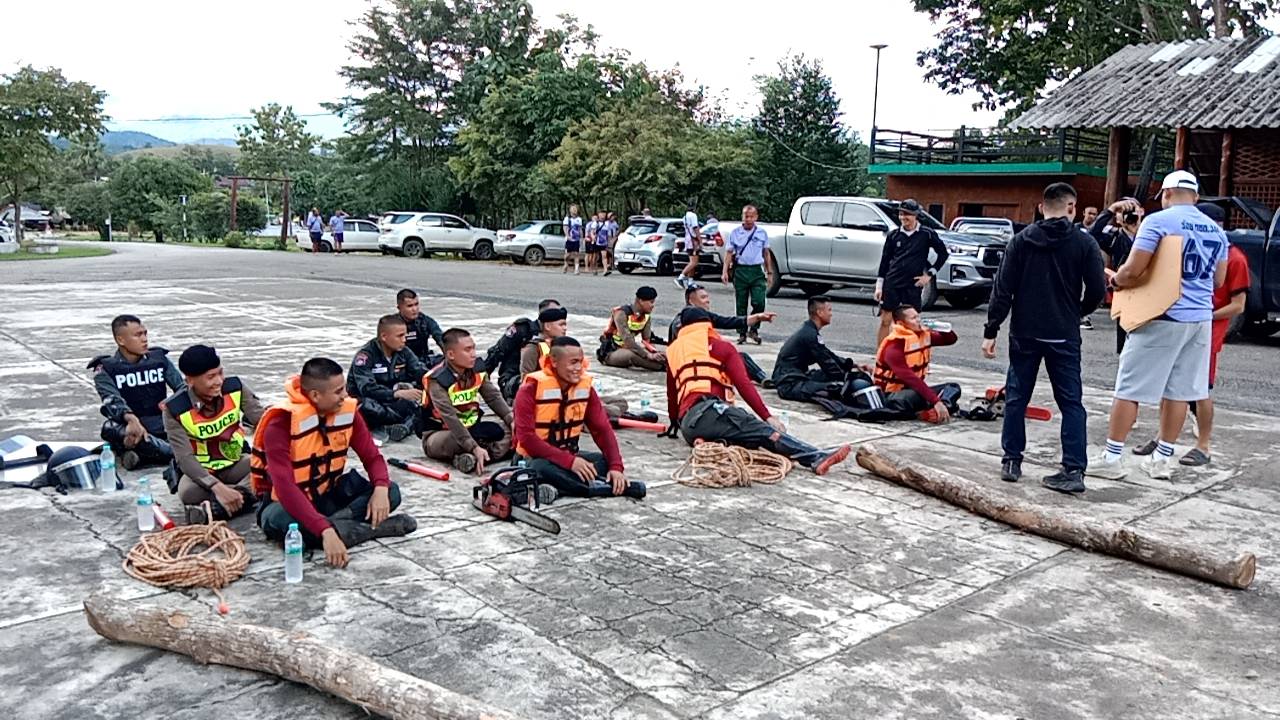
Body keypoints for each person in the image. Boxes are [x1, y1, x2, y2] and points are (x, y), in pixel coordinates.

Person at [1087, 171, 1228, 481]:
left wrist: (1117, 280)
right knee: (1180, 391)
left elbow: (1134, 269)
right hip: (1200, 319)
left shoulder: (1158, 222)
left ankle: (1112, 457)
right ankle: (1162, 459)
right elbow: (1219, 280)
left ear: (1166, 194)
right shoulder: (1217, 231)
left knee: (1129, 388)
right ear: (1195, 197)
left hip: (1162, 315)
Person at [978, 185, 1101, 492]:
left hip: (1025, 331)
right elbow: (1098, 289)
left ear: (1041, 207)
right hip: (1063, 334)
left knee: (1017, 397)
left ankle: (1011, 460)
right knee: (1071, 402)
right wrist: (1077, 312)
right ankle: (1073, 469)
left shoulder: (1021, 241)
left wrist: (991, 329)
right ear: (1072, 207)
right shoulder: (1084, 243)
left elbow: (1002, 288)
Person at [252, 358, 416, 569]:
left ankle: (334, 528)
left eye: (344, 388)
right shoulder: (280, 424)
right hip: (288, 505)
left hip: (328, 497)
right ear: (315, 395)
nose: (345, 396)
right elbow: (285, 487)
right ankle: (367, 530)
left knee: (391, 492)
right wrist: (324, 530)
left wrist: (381, 488)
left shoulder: (348, 413)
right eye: (338, 391)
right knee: (281, 522)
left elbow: (372, 457)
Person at [665, 307, 852, 475]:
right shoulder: (723, 348)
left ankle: (712, 441)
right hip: (708, 412)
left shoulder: (673, 351)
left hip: (688, 425)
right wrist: (767, 417)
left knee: (746, 433)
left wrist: (675, 424)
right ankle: (814, 457)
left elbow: (672, 395)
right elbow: (744, 385)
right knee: (761, 430)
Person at [1131, 202, 1248, 467]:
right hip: (1182, 323)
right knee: (1170, 386)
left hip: (1206, 329)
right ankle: (1163, 437)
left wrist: (1204, 314)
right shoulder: (1190, 247)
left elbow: (1238, 305)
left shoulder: (1234, 257)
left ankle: (1203, 445)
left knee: (1200, 390)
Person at [514, 337, 647, 502]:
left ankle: (559, 489)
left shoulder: (585, 389)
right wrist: (570, 462)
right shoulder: (529, 389)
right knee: (540, 468)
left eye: (580, 362)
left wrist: (616, 467)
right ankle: (599, 489)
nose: (579, 368)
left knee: (603, 462)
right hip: (532, 460)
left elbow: (602, 429)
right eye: (573, 363)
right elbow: (527, 439)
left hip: (568, 456)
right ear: (554, 362)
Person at [161, 345, 265, 523]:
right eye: (210, 377)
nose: (218, 381)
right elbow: (184, 458)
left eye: (220, 373)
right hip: (201, 472)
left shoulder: (235, 387)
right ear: (190, 380)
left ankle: (219, 507)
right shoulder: (175, 408)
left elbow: (262, 421)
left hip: (235, 462)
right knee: (187, 493)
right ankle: (245, 497)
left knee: (269, 469)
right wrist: (216, 486)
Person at [90, 315, 182, 470]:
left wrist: (172, 403)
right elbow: (111, 399)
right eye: (138, 335)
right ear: (121, 340)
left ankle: (143, 454)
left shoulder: (159, 359)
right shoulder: (106, 368)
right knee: (110, 429)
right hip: (129, 425)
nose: (144, 339)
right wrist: (132, 419)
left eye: (145, 334)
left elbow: (182, 388)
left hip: (161, 422)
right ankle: (167, 452)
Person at [517, 306, 637, 423]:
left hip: (572, 396)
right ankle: (589, 418)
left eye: (565, 325)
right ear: (547, 326)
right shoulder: (533, 349)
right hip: (551, 402)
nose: (565, 328)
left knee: (620, 402)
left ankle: (593, 416)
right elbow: (525, 383)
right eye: (561, 325)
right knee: (613, 410)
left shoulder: (563, 347)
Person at [422, 328, 513, 474]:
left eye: (474, 348)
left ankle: (474, 458)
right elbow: (450, 417)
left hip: (474, 429)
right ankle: (483, 453)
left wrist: (512, 420)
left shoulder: (477, 370)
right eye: (467, 350)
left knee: (514, 428)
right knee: (461, 440)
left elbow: (493, 397)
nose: (473, 354)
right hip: (442, 434)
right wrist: (473, 446)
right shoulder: (437, 379)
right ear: (451, 355)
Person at [875, 199, 949, 346]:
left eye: (907, 214)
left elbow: (943, 254)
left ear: (915, 215)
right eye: (901, 214)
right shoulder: (893, 235)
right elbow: (884, 261)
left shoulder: (927, 234)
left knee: (912, 321)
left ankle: (911, 351)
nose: (903, 218)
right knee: (886, 320)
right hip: (892, 282)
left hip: (913, 284)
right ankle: (881, 353)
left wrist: (929, 275)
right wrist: (879, 286)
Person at [670, 283, 774, 386]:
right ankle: (760, 379)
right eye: (703, 297)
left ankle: (762, 378)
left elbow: (727, 321)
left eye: (707, 297)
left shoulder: (701, 315)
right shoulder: (681, 322)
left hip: (699, 359)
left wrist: (757, 317)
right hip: (692, 362)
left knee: (737, 357)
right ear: (691, 301)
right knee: (738, 358)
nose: (707, 300)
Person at [348, 315, 428, 441]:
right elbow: (367, 388)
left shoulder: (404, 352)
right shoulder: (365, 356)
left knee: (423, 402)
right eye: (400, 336)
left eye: (405, 335)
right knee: (368, 407)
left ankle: (401, 426)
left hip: (392, 400)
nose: (404, 340)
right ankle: (404, 424)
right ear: (384, 337)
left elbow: (420, 372)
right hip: (372, 400)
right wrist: (396, 393)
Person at [874, 305, 961, 421]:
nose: (918, 320)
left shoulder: (923, 335)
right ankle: (927, 412)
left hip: (916, 392)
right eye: (913, 318)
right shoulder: (894, 345)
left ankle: (940, 410)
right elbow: (911, 378)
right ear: (901, 323)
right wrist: (935, 401)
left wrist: (939, 327)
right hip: (894, 395)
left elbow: (950, 339)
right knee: (905, 400)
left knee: (953, 387)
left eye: (918, 317)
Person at [773, 296, 857, 402]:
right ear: (819, 313)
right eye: (829, 310)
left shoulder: (809, 331)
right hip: (789, 383)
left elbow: (827, 354)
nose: (831, 314)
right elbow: (827, 363)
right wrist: (846, 379)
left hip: (796, 376)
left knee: (831, 378)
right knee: (836, 388)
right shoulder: (810, 335)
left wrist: (851, 365)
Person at [1083, 198, 1144, 336]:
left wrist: (1138, 229)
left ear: (1141, 212)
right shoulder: (1114, 236)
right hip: (1123, 290)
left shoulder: (1150, 235)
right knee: (1123, 335)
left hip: (1144, 290)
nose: (1129, 215)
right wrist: (1110, 210)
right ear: (1117, 217)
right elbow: (1092, 235)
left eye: (1132, 211)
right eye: (1123, 212)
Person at [722, 204, 776, 345]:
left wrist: (770, 272)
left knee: (759, 301)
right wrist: (725, 271)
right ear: (742, 216)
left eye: (751, 216)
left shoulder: (761, 233)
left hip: (756, 271)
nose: (748, 219)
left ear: (756, 217)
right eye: (746, 216)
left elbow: (766, 253)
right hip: (741, 270)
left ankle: (754, 328)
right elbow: (729, 253)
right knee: (741, 303)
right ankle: (742, 332)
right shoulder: (735, 233)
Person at [486, 299, 561, 400]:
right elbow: (497, 352)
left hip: (541, 379)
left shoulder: (557, 334)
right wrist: (484, 384)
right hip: (513, 379)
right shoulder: (523, 329)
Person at [598, 286, 666, 371]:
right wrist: (648, 355)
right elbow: (628, 340)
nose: (653, 306)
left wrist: (656, 353)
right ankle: (663, 368)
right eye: (651, 302)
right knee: (632, 355)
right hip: (611, 351)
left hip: (628, 348)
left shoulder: (646, 317)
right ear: (641, 301)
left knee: (662, 352)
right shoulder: (621, 313)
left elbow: (647, 341)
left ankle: (668, 363)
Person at [395, 288, 446, 365]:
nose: (414, 309)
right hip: (401, 363)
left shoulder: (425, 321)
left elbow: (441, 339)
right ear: (399, 308)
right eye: (409, 306)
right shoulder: (392, 324)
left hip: (423, 361)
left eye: (416, 304)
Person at [674, 202, 702, 289]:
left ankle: (690, 281)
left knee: (691, 261)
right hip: (693, 241)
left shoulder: (685, 217)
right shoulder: (693, 216)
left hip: (688, 239)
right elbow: (695, 228)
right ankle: (681, 277)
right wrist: (700, 240)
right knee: (694, 262)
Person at [563, 204, 584, 274]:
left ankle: (576, 269)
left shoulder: (579, 219)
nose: (574, 210)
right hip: (569, 239)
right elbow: (565, 228)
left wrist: (581, 237)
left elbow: (580, 229)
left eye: (575, 208)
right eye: (572, 208)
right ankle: (566, 264)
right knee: (568, 254)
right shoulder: (567, 219)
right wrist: (567, 236)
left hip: (576, 239)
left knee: (576, 254)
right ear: (570, 210)